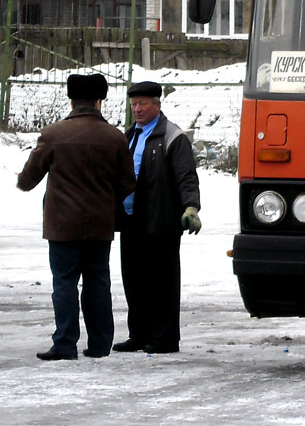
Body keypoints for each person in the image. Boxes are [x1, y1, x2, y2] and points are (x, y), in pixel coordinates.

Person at [17, 73, 136, 361]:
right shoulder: (115, 137)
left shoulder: (53, 134)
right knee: (98, 282)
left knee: (64, 283)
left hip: (62, 225)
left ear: (71, 100)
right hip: (99, 224)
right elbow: (128, 183)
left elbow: (28, 179)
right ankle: (99, 344)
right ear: (100, 100)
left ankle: (65, 343)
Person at [113, 80, 201, 355]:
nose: (137, 109)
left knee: (162, 281)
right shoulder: (130, 135)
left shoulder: (173, 137)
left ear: (157, 105)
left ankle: (165, 338)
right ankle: (138, 335)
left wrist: (191, 208)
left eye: (143, 104)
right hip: (131, 220)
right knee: (134, 279)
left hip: (161, 220)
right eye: (134, 105)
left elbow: (186, 177)